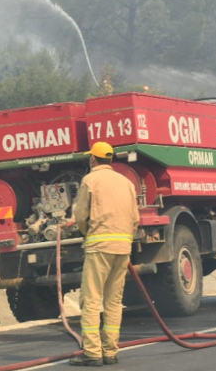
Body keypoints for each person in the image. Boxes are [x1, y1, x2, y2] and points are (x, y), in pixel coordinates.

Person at [69, 142, 140, 367]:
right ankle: (110, 351)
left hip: (99, 246)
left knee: (90, 300)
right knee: (113, 301)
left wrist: (85, 233)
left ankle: (92, 352)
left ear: (93, 159)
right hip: (122, 249)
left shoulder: (90, 180)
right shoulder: (126, 182)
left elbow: (81, 215)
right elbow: (135, 218)